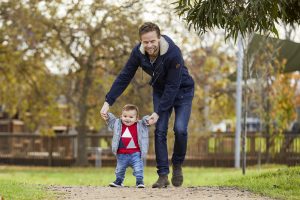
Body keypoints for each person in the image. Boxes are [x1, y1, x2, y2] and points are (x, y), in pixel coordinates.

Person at [100, 22, 194, 188]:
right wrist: (108, 102)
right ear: (141, 41)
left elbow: (172, 86)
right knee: (160, 130)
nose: (149, 45)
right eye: (145, 42)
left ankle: (177, 164)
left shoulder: (173, 53)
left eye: (152, 41)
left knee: (180, 129)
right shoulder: (139, 53)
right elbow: (124, 76)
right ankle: (163, 175)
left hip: (182, 91)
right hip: (160, 90)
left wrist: (157, 112)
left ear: (159, 38)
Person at [103, 104, 149, 188]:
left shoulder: (140, 125)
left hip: (135, 154)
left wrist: (148, 119)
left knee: (138, 169)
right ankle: (118, 181)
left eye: (131, 117)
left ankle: (139, 182)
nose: (127, 118)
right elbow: (111, 121)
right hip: (121, 154)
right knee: (119, 170)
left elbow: (146, 120)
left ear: (136, 119)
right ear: (121, 116)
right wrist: (107, 116)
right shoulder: (118, 124)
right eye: (125, 116)